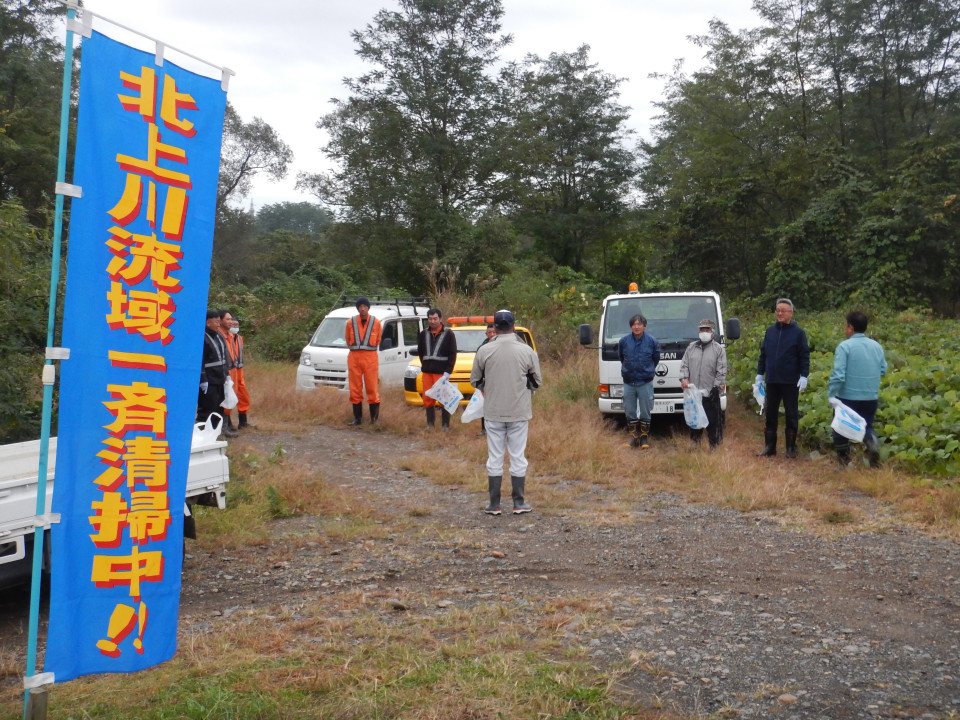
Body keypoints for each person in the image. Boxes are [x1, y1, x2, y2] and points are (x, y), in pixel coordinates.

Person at [471, 309, 542, 515]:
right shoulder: (526, 351)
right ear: (513, 325)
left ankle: (494, 504)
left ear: (495, 326)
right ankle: (519, 503)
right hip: (518, 411)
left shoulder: (484, 350)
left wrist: (490, 387)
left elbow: (475, 380)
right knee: (518, 456)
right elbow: (536, 382)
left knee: (495, 457)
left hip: (493, 412)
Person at [828, 311, 887, 468]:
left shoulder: (845, 346)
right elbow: (883, 369)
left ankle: (844, 462)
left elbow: (838, 374)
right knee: (866, 425)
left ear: (850, 327)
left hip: (847, 396)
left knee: (840, 429)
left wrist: (831, 394)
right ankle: (871, 445)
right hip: (871, 396)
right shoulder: (876, 346)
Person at [756, 298, 810, 458]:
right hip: (772, 379)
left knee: (791, 414)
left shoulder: (798, 333)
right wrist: (760, 373)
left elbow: (804, 356)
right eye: (777, 310)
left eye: (783, 310)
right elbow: (763, 354)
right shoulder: (770, 331)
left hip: (790, 381)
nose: (780, 313)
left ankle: (790, 448)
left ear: (791, 313)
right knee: (770, 414)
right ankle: (770, 447)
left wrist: (804, 375)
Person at [679, 319, 727, 448]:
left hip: (710, 392)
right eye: (702, 330)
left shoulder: (718, 349)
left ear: (712, 332)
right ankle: (695, 443)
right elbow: (684, 365)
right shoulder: (691, 347)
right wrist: (684, 379)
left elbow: (722, 371)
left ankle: (714, 445)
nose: (704, 332)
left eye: (707, 330)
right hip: (694, 392)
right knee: (694, 418)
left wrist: (716, 387)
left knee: (712, 421)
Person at [618, 313, 660, 449]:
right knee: (629, 410)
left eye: (639, 324)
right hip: (629, 381)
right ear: (631, 326)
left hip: (645, 382)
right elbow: (622, 358)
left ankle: (644, 438)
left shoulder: (652, 341)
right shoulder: (623, 341)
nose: (637, 327)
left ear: (644, 326)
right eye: (634, 324)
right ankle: (633, 436)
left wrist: (647, 370)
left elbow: (655, 359)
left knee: (645, 411)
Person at [417, 308, 458, 430]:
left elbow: (452, 354)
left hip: (441, 374)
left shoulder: (449, 334)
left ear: (440, 319)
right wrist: (425, 365)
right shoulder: (423, 334)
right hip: (427, 372)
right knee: (427, 398)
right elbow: (420, 352)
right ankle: (430, 425)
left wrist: (448, 372)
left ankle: (445, 425)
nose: (433, 321)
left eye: (435, 319)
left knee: (444, 398)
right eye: (430, 319)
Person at [198, 309, 236, 438]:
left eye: (219, 322)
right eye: (216, 322)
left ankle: (215, 434)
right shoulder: (202, 338)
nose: (218, 324)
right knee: (207, 409)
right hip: (209, 380)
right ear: (208, 323)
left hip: (221, 378)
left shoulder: (218, 336)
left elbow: (224, 357)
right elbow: (200, 361)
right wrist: (203, 379)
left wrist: (227, 374)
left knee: (218, 408)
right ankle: (202, 435)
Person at [345, 296, 383, 425]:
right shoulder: (350, 323)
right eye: (360, 306)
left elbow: (378, 339)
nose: (362, 309)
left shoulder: (376, 322)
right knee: (354, 388)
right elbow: (347, 339)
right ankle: (357, 419)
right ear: (357, 308)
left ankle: (374, 420)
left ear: (368, 308)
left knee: (372, 388)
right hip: (354, 358)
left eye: (365, 306)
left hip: (370, 358)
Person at [218, 309, 253, 432]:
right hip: (228, 369)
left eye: (236, 324)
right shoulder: (221, 336)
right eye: (230, 321)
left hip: (238, 369)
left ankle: (243, 421)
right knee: (228, 394)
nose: (234, 326)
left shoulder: (238, 338)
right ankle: (227, 424)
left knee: (242, 394)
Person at [477, 323, 496, 437]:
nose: (492, 334)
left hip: (499, 381)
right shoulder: (482, 348)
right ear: (486, 334)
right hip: (486, 381)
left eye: (494, 332)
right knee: (484, 405)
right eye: (489, 332)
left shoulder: (502, 346)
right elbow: (477, 366)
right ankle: (484, 429)